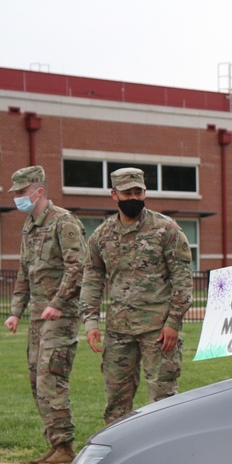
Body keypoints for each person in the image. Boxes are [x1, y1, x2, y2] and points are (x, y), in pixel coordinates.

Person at [80, 167, 193, 425]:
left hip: (158, 331)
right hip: (119, 331)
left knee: (164, 401)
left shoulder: (166, 230)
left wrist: (173, 323)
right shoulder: (101, 235)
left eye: (138, 192)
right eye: (126, 192)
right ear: (114, 195)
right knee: (116, 403)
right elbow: (92, 279)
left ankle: (167, 455)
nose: (133, 197)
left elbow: (183, 281)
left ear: (145, 193)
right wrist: (90, 323)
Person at [4, 165, 86, 464]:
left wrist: (58, 302)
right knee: (36, 382)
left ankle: (65, 446)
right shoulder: (29, 226)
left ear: (38, 191)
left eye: (21, 193)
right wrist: (15, 312)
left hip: (60, 316)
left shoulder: (64, 223)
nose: (17, 198)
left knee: (50, 378)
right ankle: (55, 443)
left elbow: (78, 268)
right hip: (38, 319)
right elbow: (25, 272)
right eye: (15, 194)